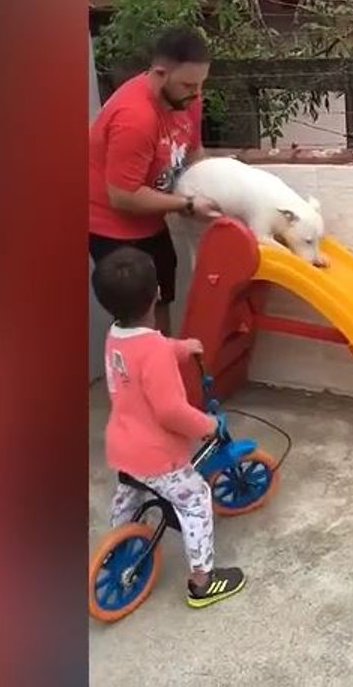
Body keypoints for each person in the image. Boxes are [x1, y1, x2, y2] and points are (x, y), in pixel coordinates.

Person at [92, 246, 247, 608]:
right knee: (195, 500)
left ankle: (119, 545)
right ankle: (202, 582)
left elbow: (145, 353)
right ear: (158, 293)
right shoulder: (156, 350)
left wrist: (182, 348)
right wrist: (206, 425)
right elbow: (170, 411)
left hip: (123, 445)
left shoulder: (116, 334)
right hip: (158, 455)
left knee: (129, 495)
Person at [89, 26, 223, 336]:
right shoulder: (135, 118)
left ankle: (160, 368)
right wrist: (187, 204)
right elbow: (123, 196)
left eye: (201, 83)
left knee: (162, 297)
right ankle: (134, 377)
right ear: (160, 73)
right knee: (135, 316)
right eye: (189, 84)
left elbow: (194, 153)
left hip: (150, 219)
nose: (196, 93)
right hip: (112, 227)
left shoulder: (187, 98)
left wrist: (210, 190)